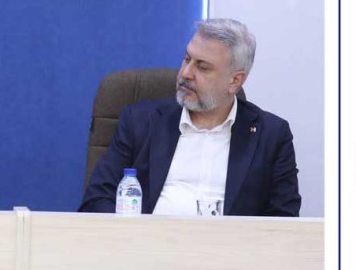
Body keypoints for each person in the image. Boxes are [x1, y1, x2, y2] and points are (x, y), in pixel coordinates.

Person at [80, 18, 300, 216]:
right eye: (187, 59)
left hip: (228, 247)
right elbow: (96, 201)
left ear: (235, 81)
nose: (186, 73)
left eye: (202, 67)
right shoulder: (140, 122)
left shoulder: (271, 136)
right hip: (147, 244)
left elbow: (283, 220)